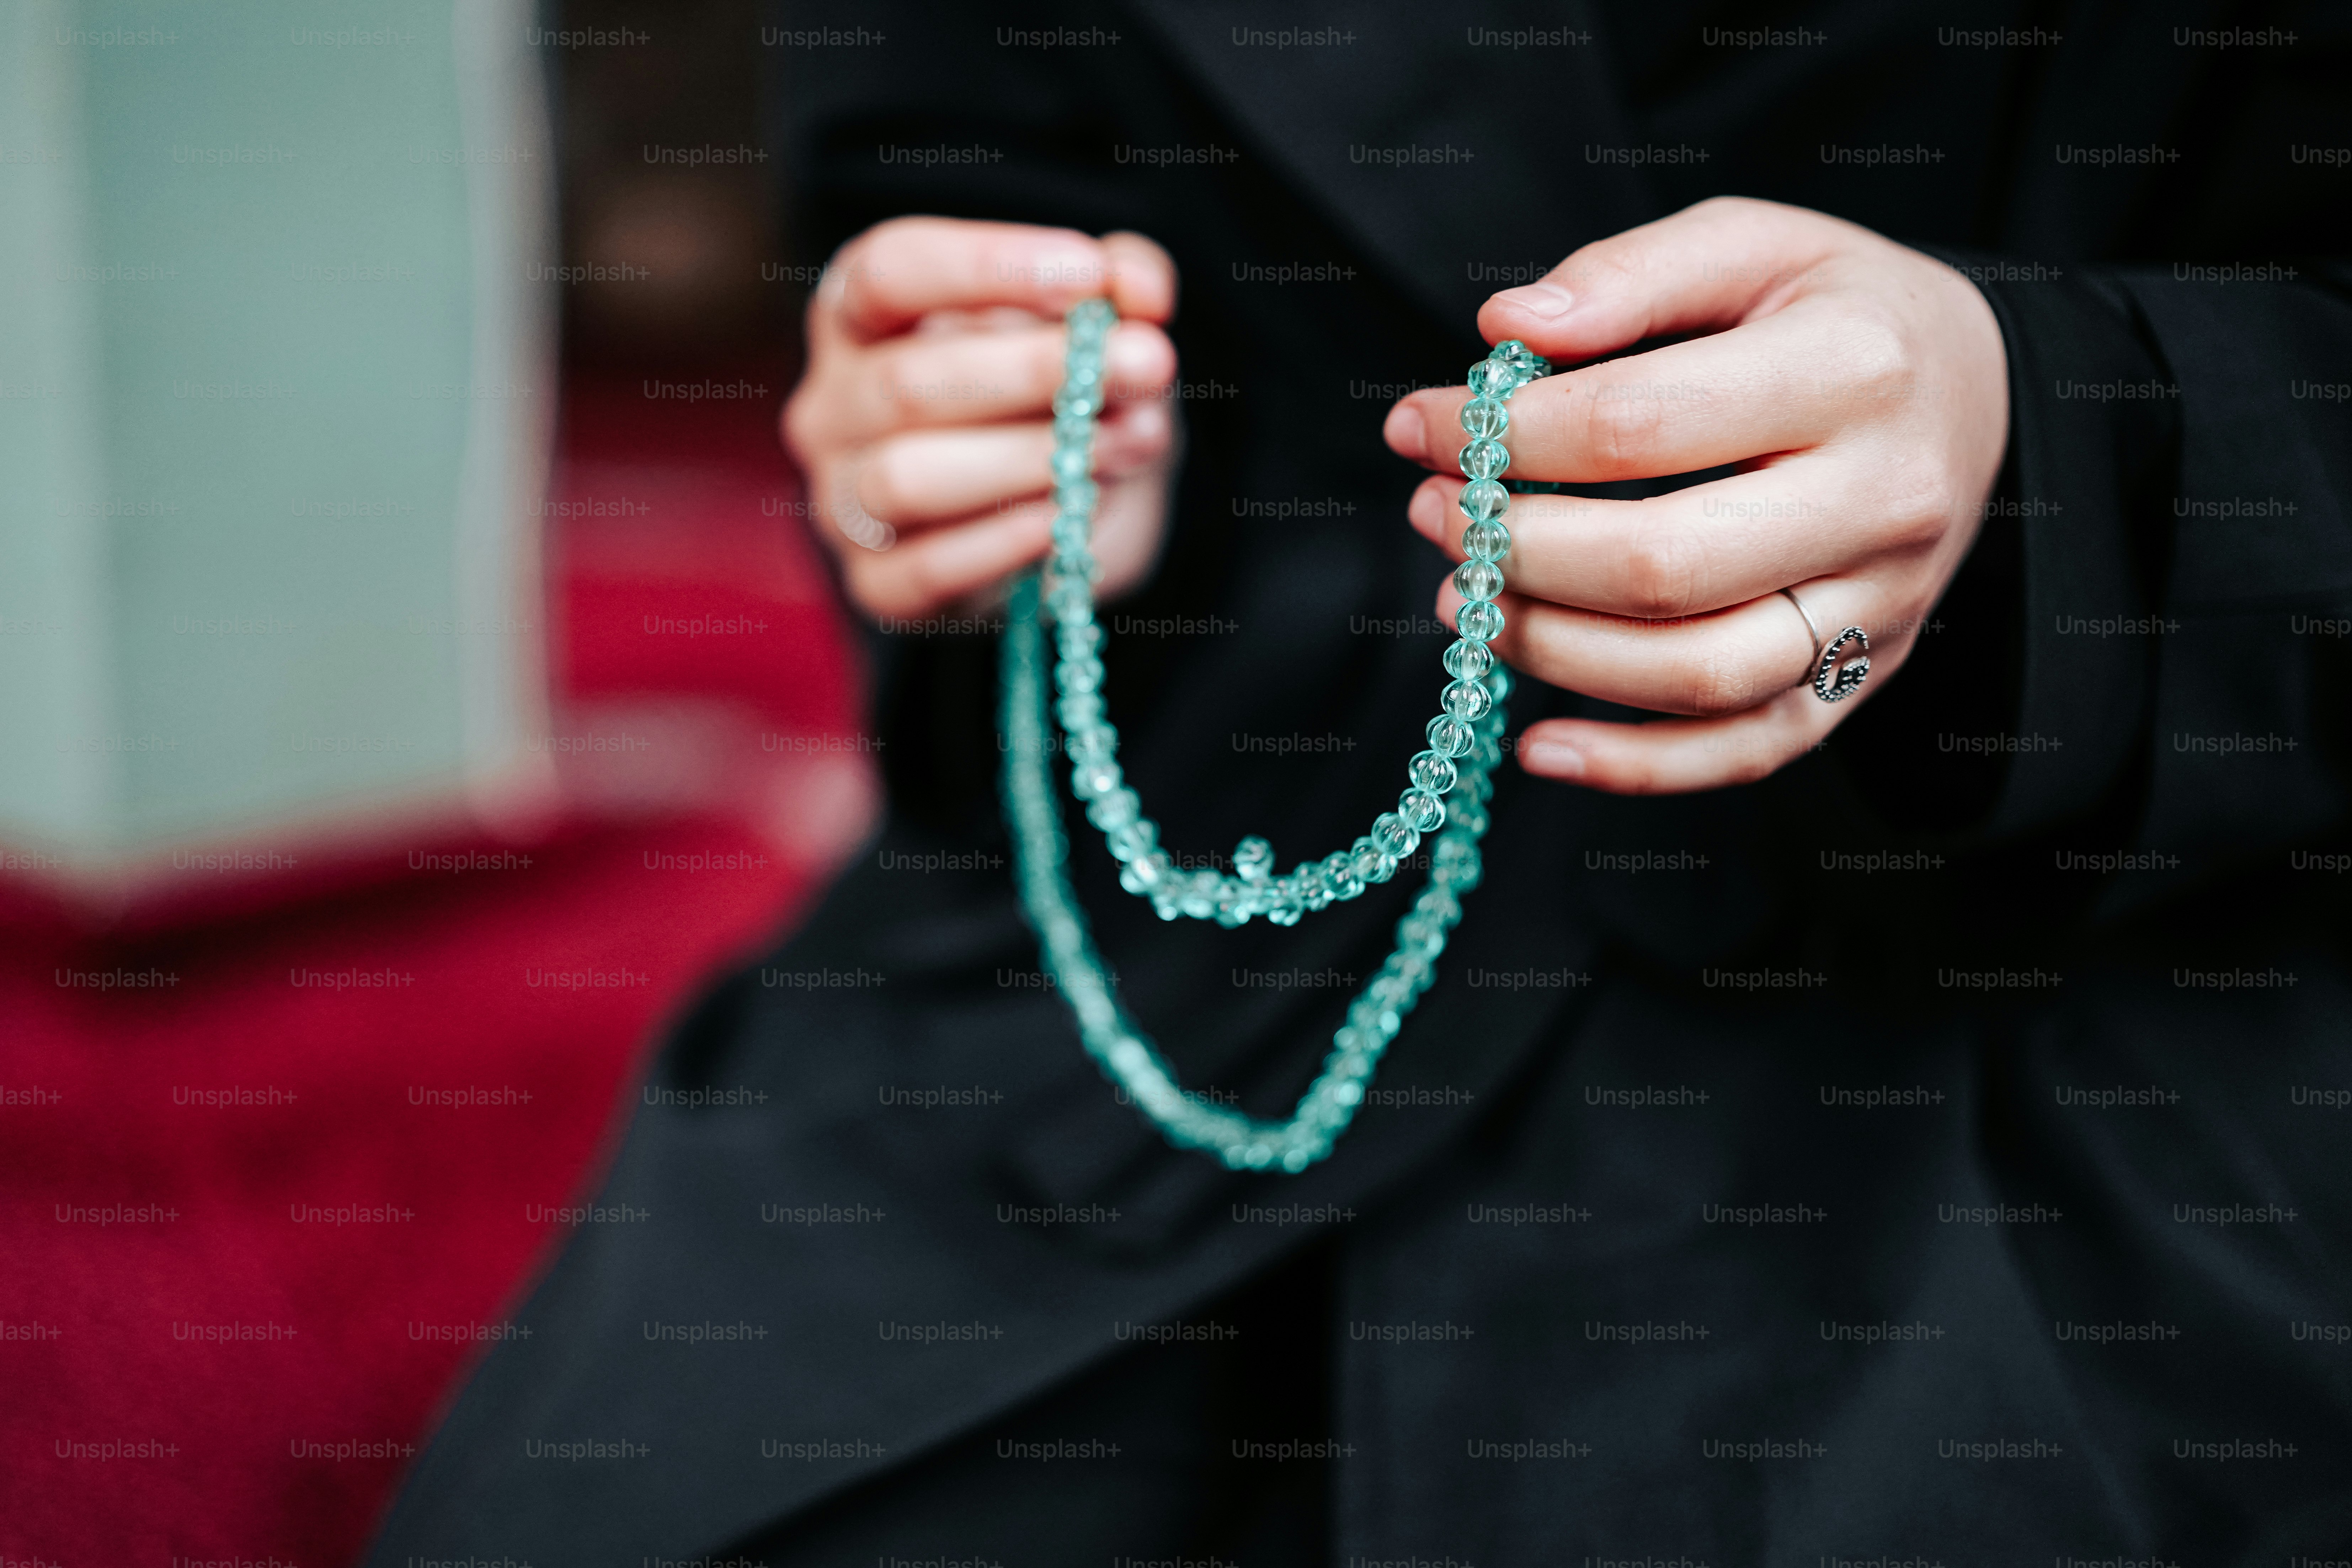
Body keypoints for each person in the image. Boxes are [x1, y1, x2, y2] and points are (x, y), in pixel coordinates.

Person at [369, 3, 2352, 1563]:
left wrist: (2064, 463)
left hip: (2115, 985)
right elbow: (941, 161)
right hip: (1184, 928)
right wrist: (1003, 451)